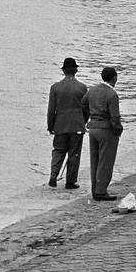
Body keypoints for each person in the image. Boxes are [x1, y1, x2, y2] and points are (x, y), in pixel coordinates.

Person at [46, 57, 88, 189]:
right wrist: (83, 121)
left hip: (60, 125)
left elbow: (51, 109)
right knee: (74, 154)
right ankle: (70, 181)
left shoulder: (55, 88)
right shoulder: (82, 88)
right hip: (77, 126)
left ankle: (53, 176)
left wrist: (50, 125)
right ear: (75, 71)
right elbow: (86, 109)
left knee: (58, 151)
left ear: (64, 71)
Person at [84, 66, 124, 200]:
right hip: (106, 130)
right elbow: (115, 117)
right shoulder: (112, 94)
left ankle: (94, 189)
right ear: (114, 78)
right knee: (105, 161)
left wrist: (89, 117)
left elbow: (83, 104)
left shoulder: (92, 90)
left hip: (93, 128)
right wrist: (118, 129)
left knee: (94, 160)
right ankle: (101, 191)